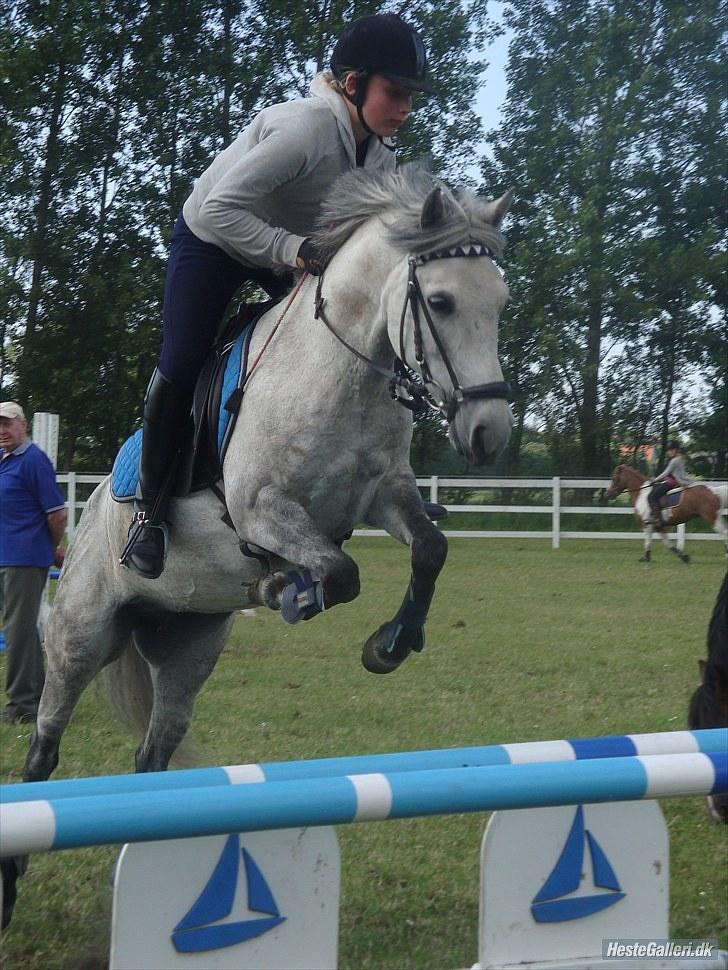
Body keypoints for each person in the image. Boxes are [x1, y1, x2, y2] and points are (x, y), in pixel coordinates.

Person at [121, 12, 434, 580]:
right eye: (395, 92)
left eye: (412, 95)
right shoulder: (305, 129)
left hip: (282, 250)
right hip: (213, 240)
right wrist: (292, 250)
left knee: (344, 332)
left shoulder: (381, 158)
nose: (406, 106)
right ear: (354, 83)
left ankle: (380, 482)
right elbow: (220, 209)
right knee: (184, 358)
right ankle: (150, 511)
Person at [0, 402, 67, 724]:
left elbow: (57, 514)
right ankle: (37, 695)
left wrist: (50, 548)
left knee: (19, 632)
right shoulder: (5, 461)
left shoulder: (33, 460)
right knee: (19, 630)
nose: (2, 430)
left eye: (8, 424)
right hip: (7, 558)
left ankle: (22, 706)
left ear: (22, 425)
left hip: (23, 561)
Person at [649, 441, 693, 523]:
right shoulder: (681, 459)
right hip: (676, 482)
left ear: (675, 450)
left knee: (652, 496)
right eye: (668, 450)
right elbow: (671, 474)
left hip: (672, 483)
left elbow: (665, 473)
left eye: (670, 450)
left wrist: (654, 480)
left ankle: (657, 518)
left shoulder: (674, 461)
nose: (668, 452)